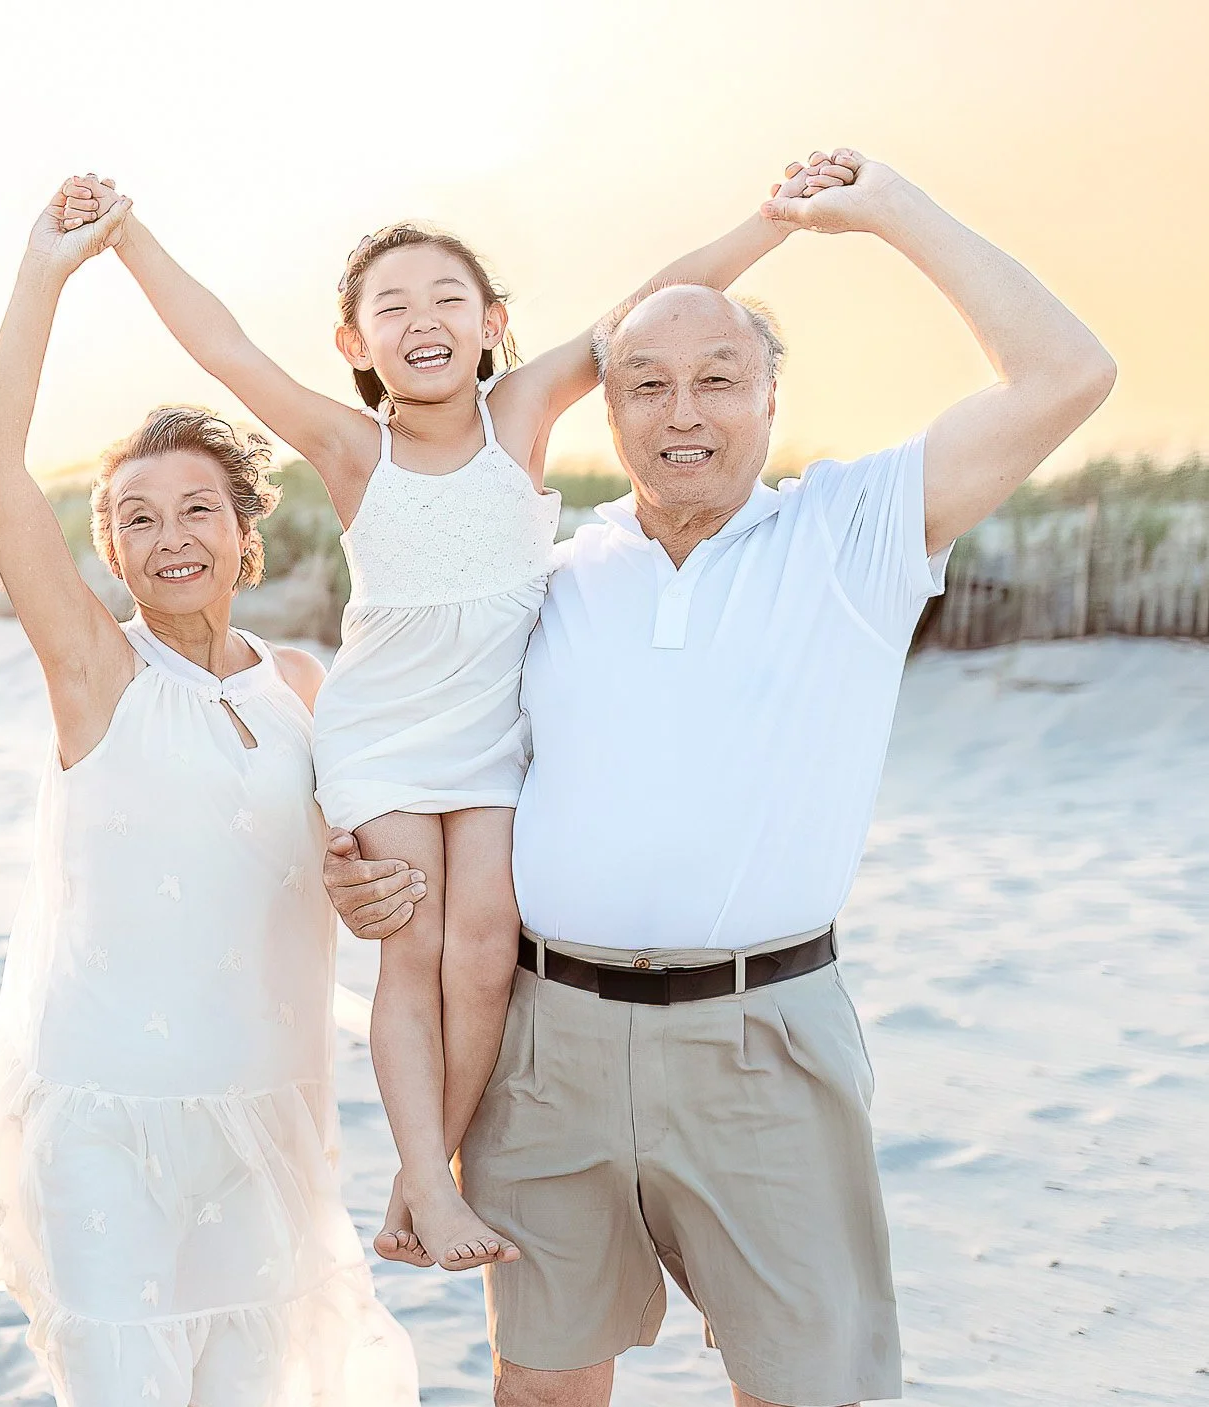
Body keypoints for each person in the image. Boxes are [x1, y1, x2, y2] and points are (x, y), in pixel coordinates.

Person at [441, 151, 1111, 1407]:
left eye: (720, 378)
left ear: (767, 392)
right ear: (610, 410)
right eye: (650, 383)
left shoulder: (857, 537)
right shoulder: (551, 573)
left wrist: (884, 211)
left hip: (766, 1044)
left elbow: (1071, 371)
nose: (685, 412)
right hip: (547, 1042)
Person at [78, 155, 853, 1272]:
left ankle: (418, 1169)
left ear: (491, 323)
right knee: (420, 946)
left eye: (447, 299)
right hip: (384, 730)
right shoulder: (355, 448)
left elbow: (648, 302)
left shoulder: (521, 414)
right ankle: (432, 1185)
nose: (421, 320)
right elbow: (224, 347)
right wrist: (127, 235)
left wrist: (770, 219)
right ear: (354, 344)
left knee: (488, 947)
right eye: (389, 307)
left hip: (490, 737)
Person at [0, 181, 427, 1407]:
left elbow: (353, 872)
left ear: (246, 535)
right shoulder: (96, 675)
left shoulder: (299, 688)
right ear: (108, 547)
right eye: (137, 518)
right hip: (102, 1109)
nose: (169, 538)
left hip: (265, 1108)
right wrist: (45, 273)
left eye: (196, 514)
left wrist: (380, 890)